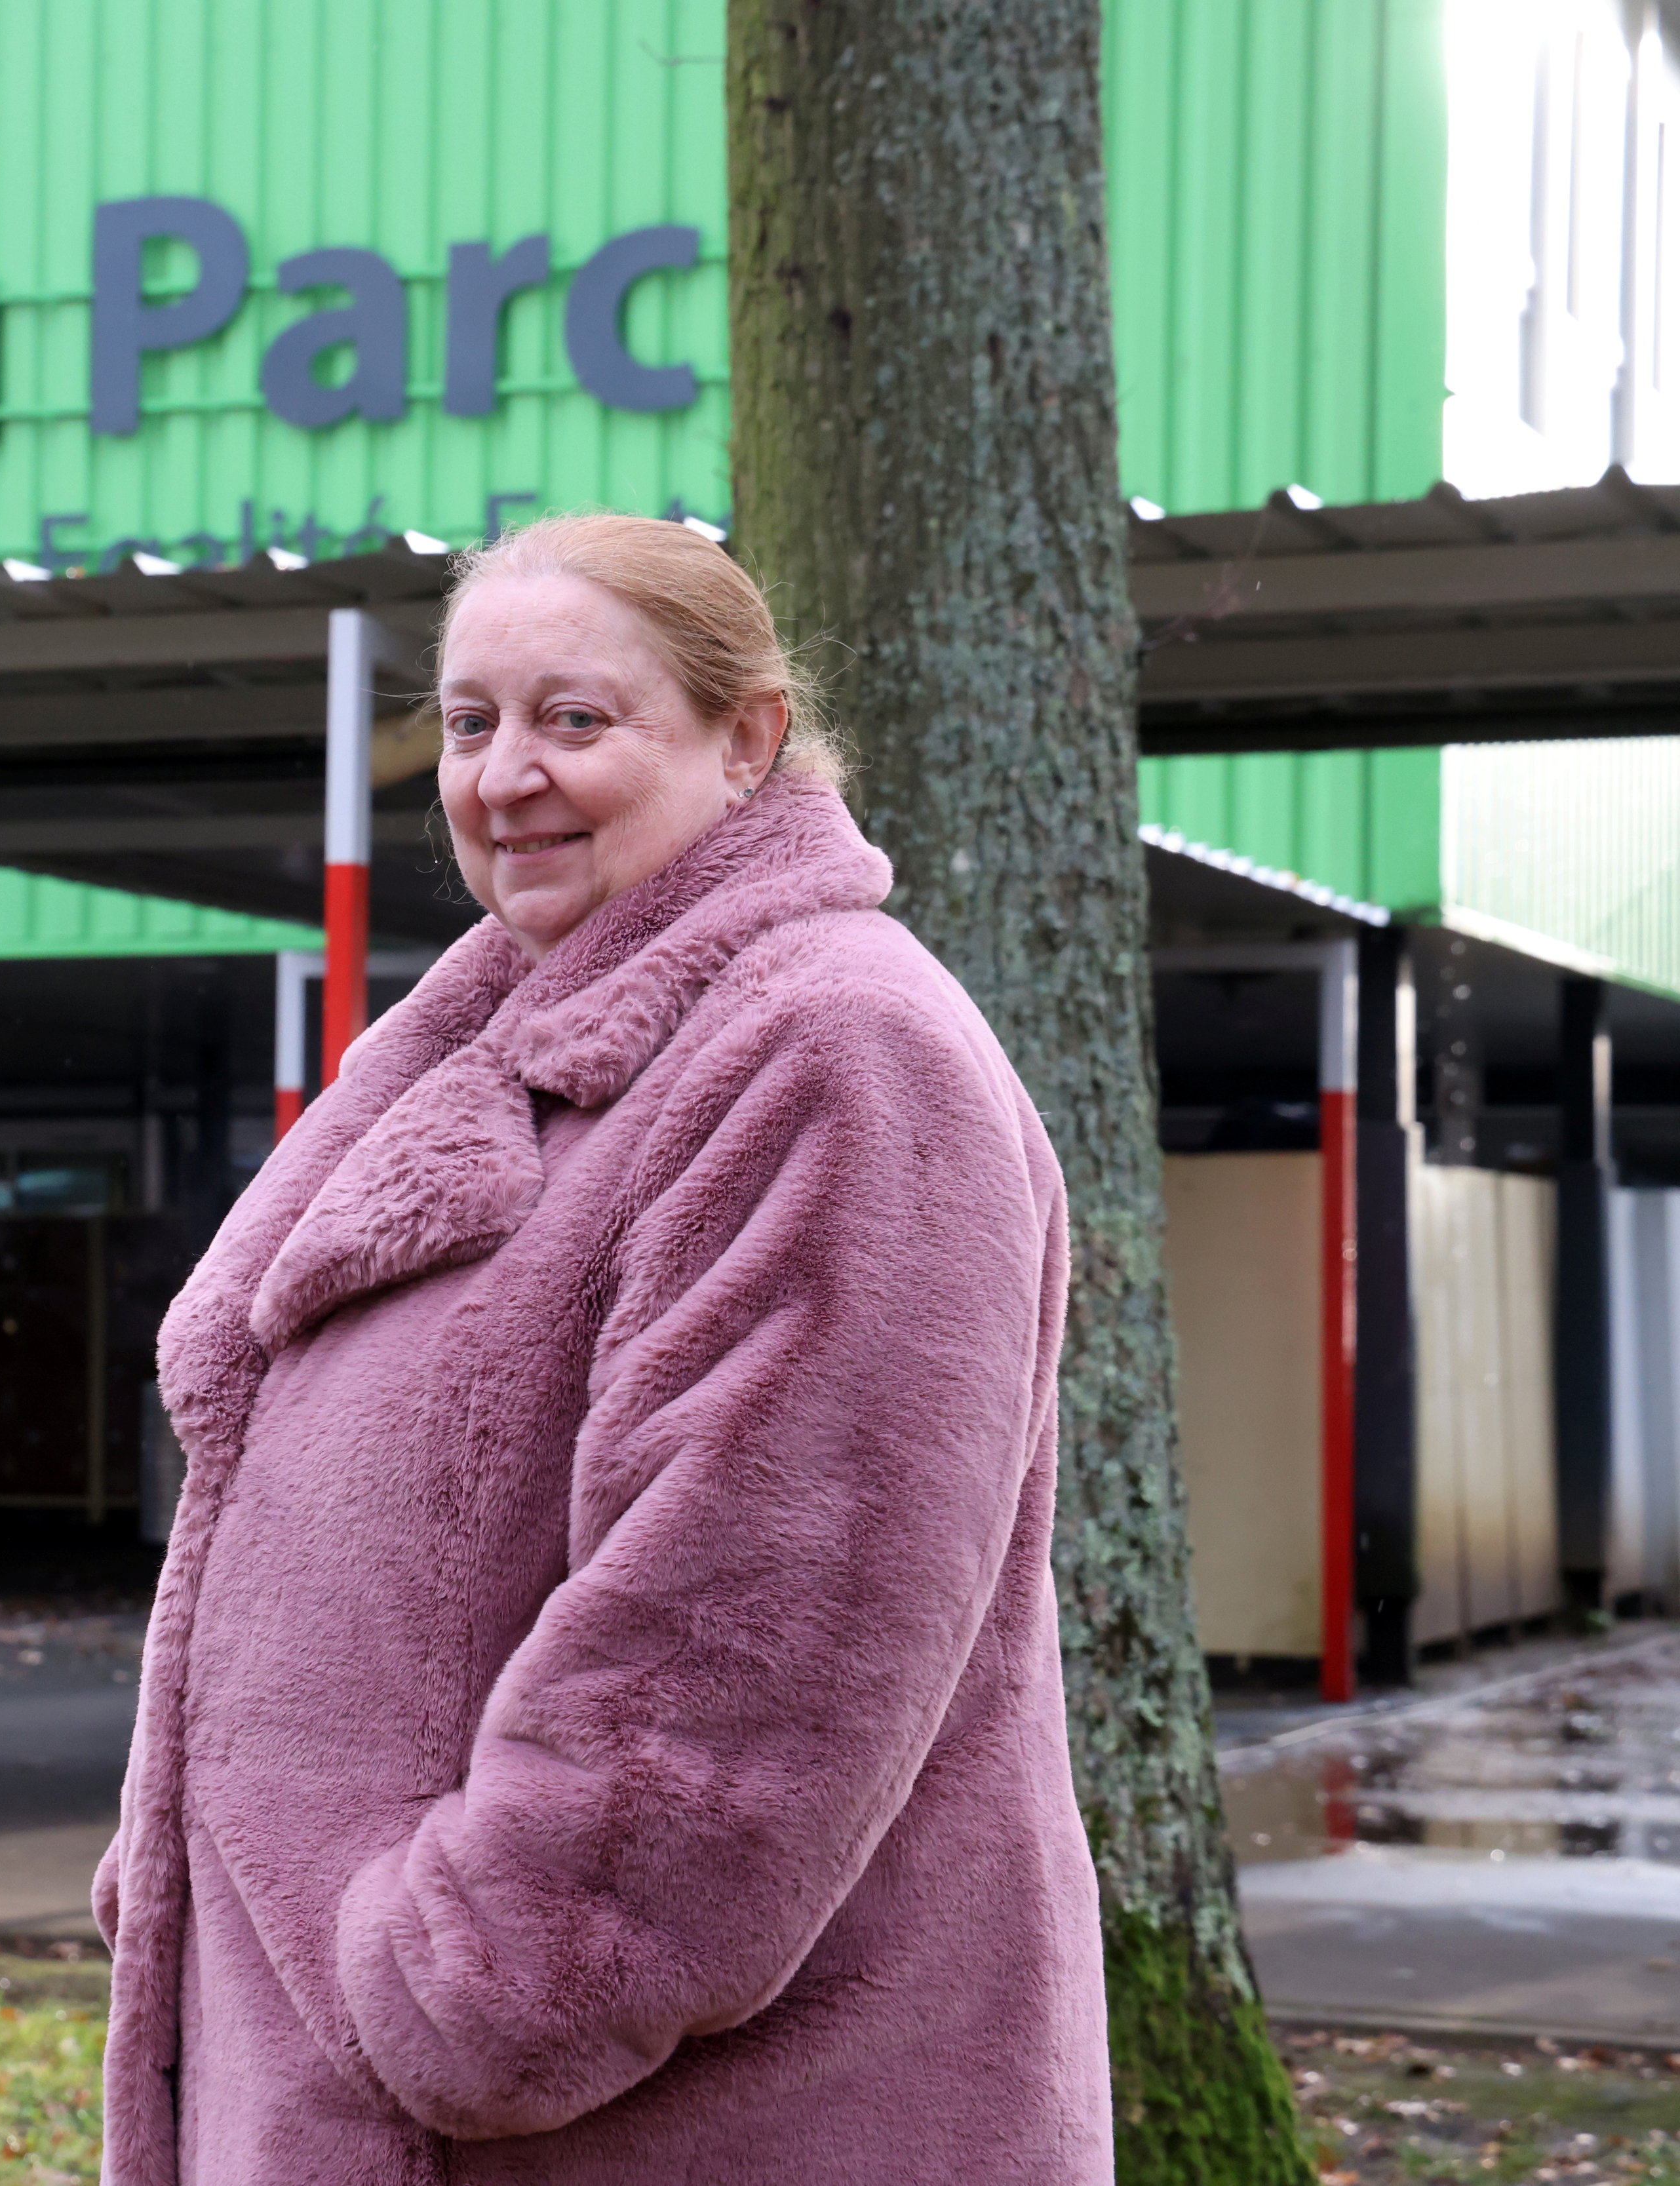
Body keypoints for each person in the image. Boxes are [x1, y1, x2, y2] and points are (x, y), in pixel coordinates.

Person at [94, 513, 1109, 2183]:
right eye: (473, 723)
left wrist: (476, 1991)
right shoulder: (507, 1042)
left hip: (662, 2123)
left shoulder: (835, 1052)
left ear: (747, 738)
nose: (505, 778)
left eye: (576, 720)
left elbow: (756, 1640)